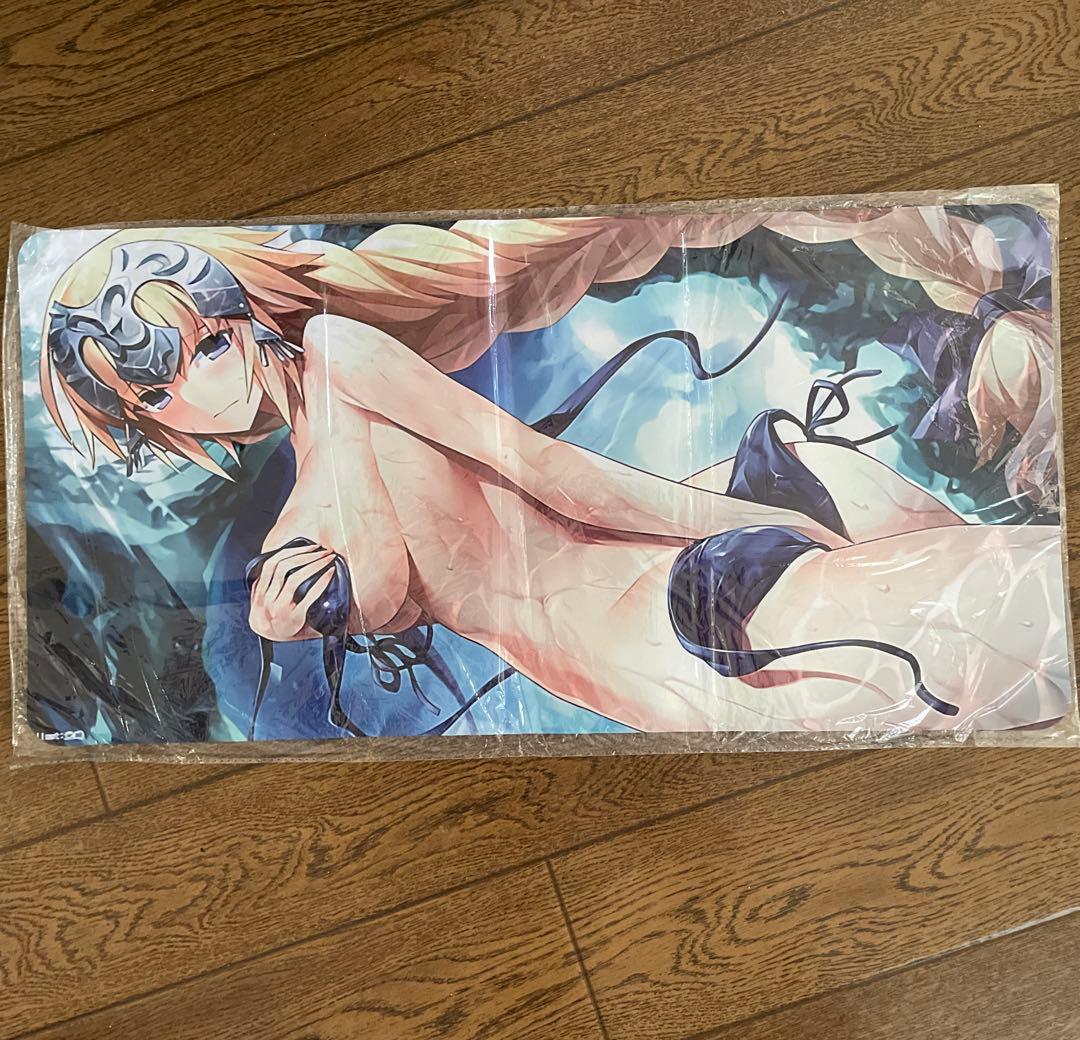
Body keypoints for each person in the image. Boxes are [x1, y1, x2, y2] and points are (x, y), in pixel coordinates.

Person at [39, 213, 1071, 735]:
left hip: (697, 600)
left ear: (244, 314)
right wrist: (279, 619)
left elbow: (551, 473)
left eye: (206, 345)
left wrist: (748, 517)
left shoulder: (339, 354)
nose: (201, 391)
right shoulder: (288, 535)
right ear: (144, 419)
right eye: (157, 392)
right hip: (685, 622)